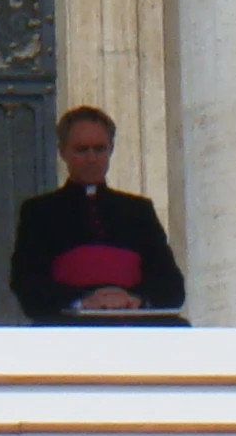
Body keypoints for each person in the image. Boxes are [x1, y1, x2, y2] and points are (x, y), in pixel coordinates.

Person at [10, 106, 186, 325]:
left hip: (134, 326)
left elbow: (171, 284)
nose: (92, 158)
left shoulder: (138, 210)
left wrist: (134, 298)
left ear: (111, 150)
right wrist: (83, 301)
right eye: (81, 150)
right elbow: (27, 283)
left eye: (100, 149)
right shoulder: (39, 212)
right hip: (69, 328)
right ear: (63, 152)